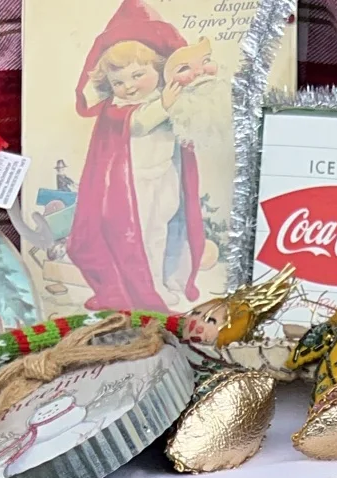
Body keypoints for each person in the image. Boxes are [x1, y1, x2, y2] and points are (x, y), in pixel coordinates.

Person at [67, 0, 217, 311]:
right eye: (118, 82)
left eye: (137, 75)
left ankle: (164, 279)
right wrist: (165, 105)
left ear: (159, 69)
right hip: (134, 187)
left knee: (163, 228)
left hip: (164, 175)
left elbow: (188, 125)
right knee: (144, 234)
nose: (129, 87)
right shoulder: (118, 107)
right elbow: (138, 124)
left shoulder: (167, 95)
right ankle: (149, 288)